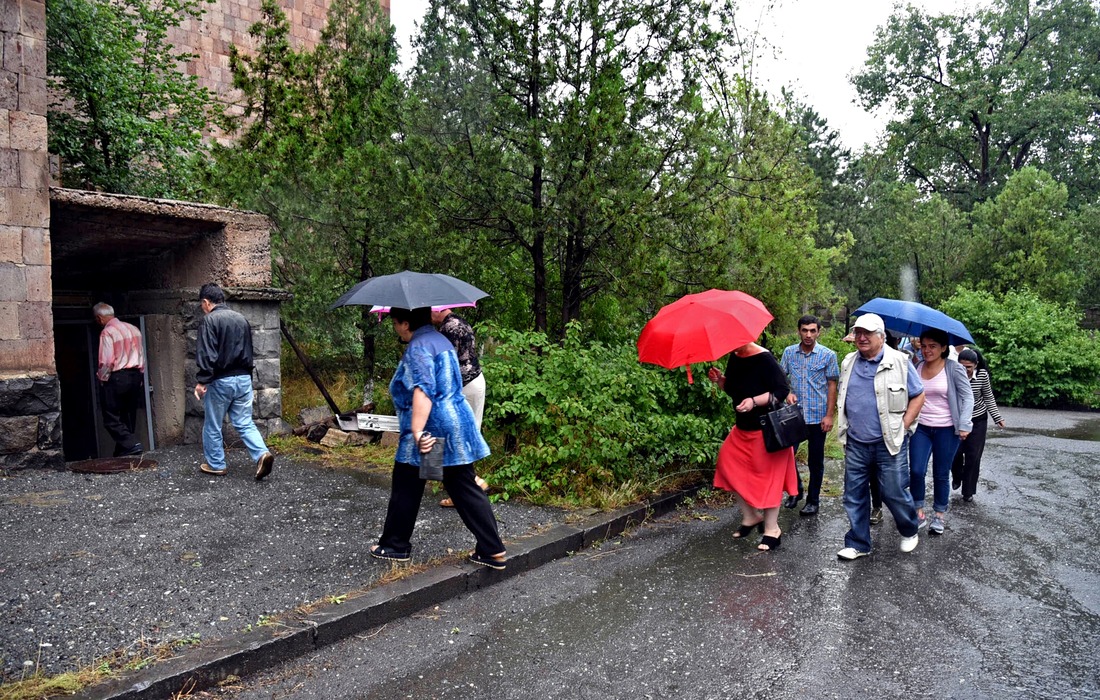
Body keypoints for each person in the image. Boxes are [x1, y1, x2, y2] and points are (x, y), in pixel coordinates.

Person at [370, 306, 507, 570]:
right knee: (454, 483)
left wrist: (419, 431)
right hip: (453, 422)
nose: (395, 328)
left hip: (431, 430)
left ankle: (395, 546)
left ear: (405, 323)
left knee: (408, 483)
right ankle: (492, 549)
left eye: (395, 323)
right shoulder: (440, 340)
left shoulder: (419, 347)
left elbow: (424, 390)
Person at [835, 313, 925, 560]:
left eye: (867, 333)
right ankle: (858, 543)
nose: (861, 338)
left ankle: (909, 528)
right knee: (854, 494)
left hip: (889, 441)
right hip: (856, 441)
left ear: (882, 336)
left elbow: (918, 395)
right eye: (858, 333)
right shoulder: (848, 362)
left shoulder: (900, 361)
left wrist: (905, 426)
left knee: (893, 491)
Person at [706, 340, 798, 552]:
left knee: (769, 479)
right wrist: (720, 380)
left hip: (767, 430)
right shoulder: (736, 356)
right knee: (726, 464)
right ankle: (750, 516)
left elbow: (782, 390)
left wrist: (754, 402)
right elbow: (734, 390)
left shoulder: (764, 358)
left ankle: (772, 529)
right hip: (743, 429)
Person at [194, 283, 274, 480]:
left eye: (202, 305)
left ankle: (216, 464)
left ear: (206, 302)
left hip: (221, 380)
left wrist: (202, 381)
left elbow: (208, 353)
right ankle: (262, 453)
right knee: (245, 422)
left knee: (213, 424)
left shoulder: (209, 320)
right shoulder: (241, 319)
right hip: (244, 379)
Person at [908, 328, 973, 535]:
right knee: (916, 470)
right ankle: (918, 510)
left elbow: (968, 397)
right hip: (921, 428)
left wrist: (964, 424)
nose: (927, 350)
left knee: (941, 473)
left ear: (944, 348)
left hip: (947, 428)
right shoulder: (916, 367)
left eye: (933, 346)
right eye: (924, 346)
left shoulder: (953, 368)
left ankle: (939, 515)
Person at [779, 314, 839, 516]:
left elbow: (832, 385)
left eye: (813, 330)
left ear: (819, 332)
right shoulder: (789, 353)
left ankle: (813, 501)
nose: (808, 334)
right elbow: (781, 378)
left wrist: (829, 415)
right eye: (804, 330)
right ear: (799, 331)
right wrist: (787, 393)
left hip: (817, 415)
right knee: (786, 456)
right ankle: (796, 491)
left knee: (815, 461)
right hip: (794, 415)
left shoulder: (828, 355)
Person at [431, 308, 489, 508]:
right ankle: (467, 484)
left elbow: (445, 361)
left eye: (430, 312)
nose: (429, 317)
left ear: (438, 310)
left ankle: (470, 485)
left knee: (457, 437)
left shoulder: (448, 328)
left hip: (464, 385)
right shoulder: (461, 322)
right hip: (475, 381)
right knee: (467, 435)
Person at [951, 348, 1005, 503]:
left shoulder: (982, 375)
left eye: (968, 367)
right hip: (958, 420)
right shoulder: (953, 374)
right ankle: (957, 475)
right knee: (955, 453)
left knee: (973, 456)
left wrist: (997, 417)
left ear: (975, 365)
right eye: (962, 366)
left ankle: (968, 491)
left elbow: (988, 397)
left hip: (978, 419)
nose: (965, 370)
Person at [93, 303, 145, 457]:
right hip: (135, 375)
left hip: (117, 377)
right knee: (128, 414)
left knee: (111, 417)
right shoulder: (134, 329)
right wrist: (140, 376)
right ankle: (123, 449)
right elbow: (141, 355)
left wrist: (102, 379)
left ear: (99, 318)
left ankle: (131, 443)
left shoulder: (107, 332)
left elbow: (106, 361)